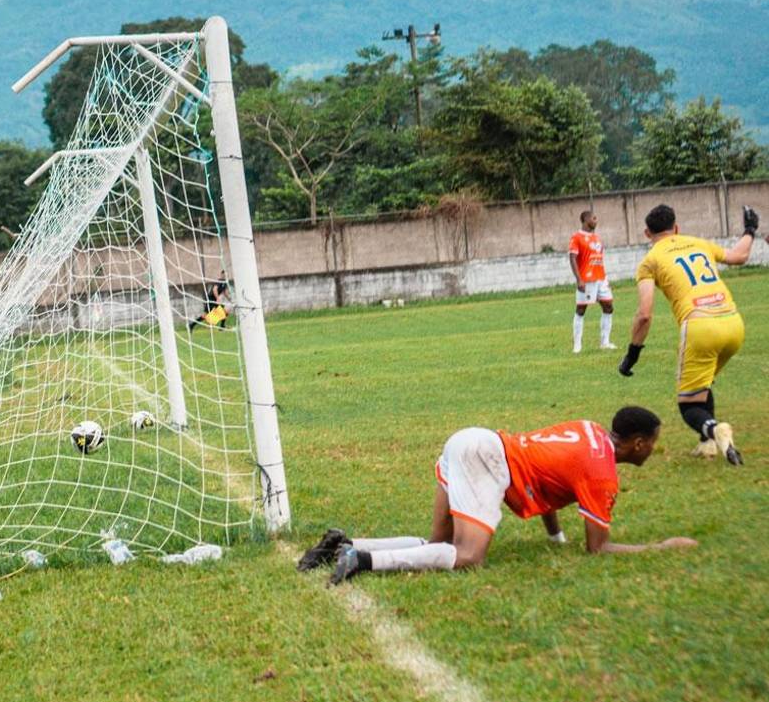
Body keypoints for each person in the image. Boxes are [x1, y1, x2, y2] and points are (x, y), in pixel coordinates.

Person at [296, 406, 698, 583]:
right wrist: (661, 547)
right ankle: (362, 560)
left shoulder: (589, 429)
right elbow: (598, 548)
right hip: (487, 457)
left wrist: (555, 538)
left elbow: (550, 482)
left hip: (472, 440)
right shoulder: (602, 473)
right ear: (640, 444)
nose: (654, 449)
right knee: (469, 558)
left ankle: (343, 545)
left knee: (440, 545)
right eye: (655, 443)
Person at [618, 204, 757, 465]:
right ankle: (706, 446)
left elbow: (644, 314)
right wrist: (750, 230)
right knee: (703, 383)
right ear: (677, 228)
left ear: (647, 233)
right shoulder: (697, 243)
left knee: (689, 405)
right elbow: (740, 256)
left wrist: (632, 354)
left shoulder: (650, 261)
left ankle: (716, 431)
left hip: (700, 326)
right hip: (733, 322)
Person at [568, 210, 616, 353]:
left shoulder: (597, 238)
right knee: (581, 310)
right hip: (587, 280)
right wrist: (579, 279)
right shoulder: (577, 237)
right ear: (585, 219)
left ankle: (605, 342)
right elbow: (572, 258)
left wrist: (606, 277)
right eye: (594, 218)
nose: (596, 220)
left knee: (609, 307)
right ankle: (577, 346)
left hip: (601, 278)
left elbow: (599, 259)